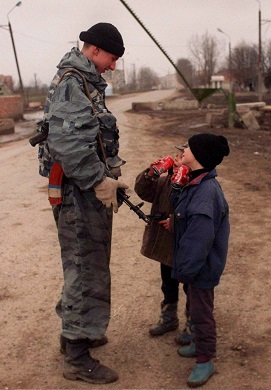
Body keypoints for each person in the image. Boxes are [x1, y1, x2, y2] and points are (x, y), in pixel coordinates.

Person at [46, 23, 129, 384]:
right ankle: (77, 357)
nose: (112, 66)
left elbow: (93, 138)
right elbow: (69, 147)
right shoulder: (72, 83)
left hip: (85, 191)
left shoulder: (86, 83)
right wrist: (99, 182)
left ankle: (77, 334)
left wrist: (111, 176)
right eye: (112, 58)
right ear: (94, 50)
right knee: (84, 268)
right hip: (77, 194)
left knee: (89, 264)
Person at [171, 133, 230, 388]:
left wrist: (186, 269)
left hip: (201, 267)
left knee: (201, 313)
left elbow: (200, 238)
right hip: (195, 266)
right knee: (195, 307)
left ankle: (205, 359)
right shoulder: (195, 181)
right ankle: (196, 343)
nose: (183, 148)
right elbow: (185, 218)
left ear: (201, 157)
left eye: (189, 146)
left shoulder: (206, 193)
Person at [134, 146, 192, 344]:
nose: (177, 161)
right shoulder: (165, 182)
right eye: (176, 156)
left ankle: (193, 322)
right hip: (167, 246)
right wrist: (150, 173)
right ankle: (169, 316)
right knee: (168, 282)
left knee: (191, 286)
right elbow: (143, 191)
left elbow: (197, 215)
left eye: (182, 157)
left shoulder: (195, 186)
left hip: (187, 247)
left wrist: (175, 222)